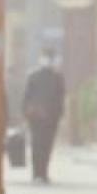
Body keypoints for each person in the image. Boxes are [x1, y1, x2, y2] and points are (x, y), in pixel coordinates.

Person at [22, 50, 67, 184]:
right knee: (39, 145)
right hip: (40, 117)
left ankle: (42, 172)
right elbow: (27, 97)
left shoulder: (57, 77)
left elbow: (60, 97)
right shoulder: (34, 76)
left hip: (47, 117)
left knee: (44, 146)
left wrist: (59, 113)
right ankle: (38, 173)